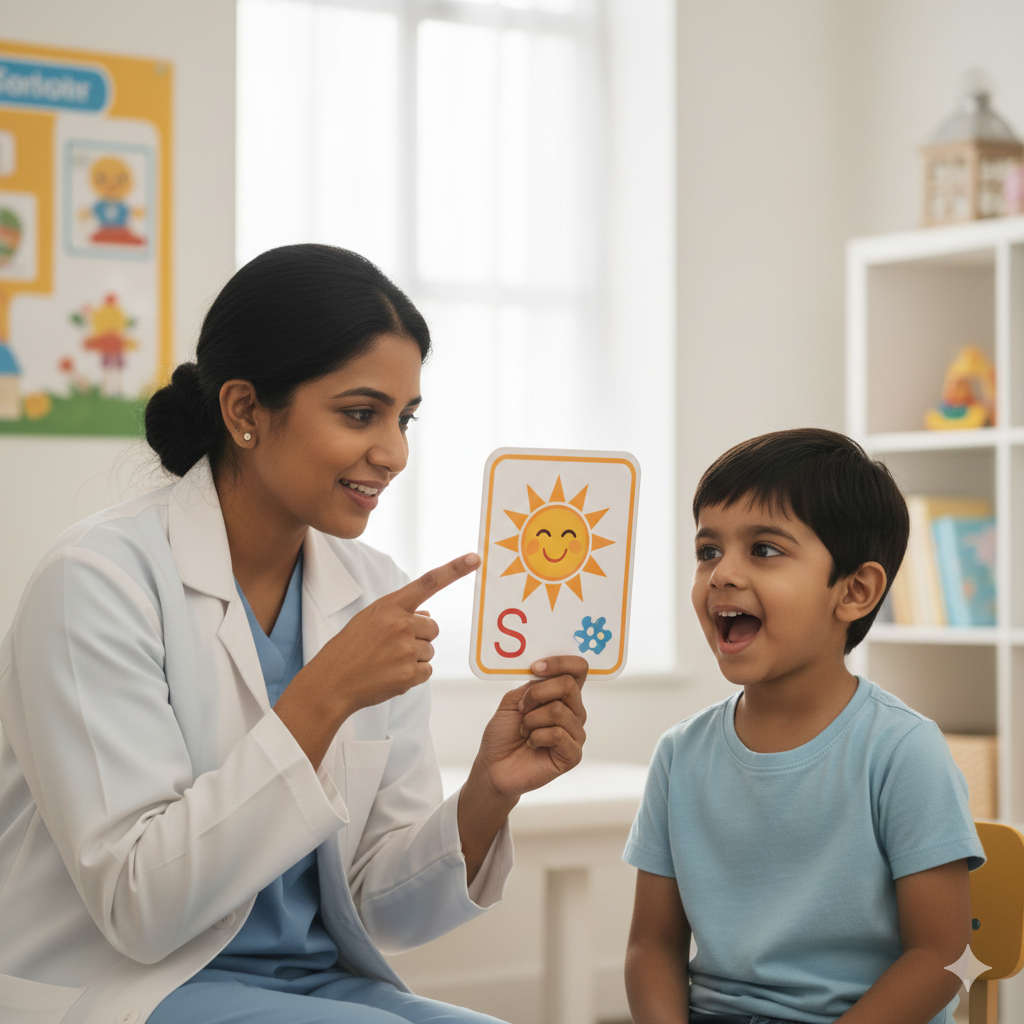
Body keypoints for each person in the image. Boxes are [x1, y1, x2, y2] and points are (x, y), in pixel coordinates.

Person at [0, 244, 589, 1024]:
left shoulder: (372, 588)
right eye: (359, 413)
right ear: (245, 411)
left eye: (404, 418)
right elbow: (140, 906)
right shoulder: (98, 581)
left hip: (318, 985)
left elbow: (381, 908)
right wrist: (324, 694)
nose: (394, 452)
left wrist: (489, 792)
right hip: (136, 987)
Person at [622, 428, 985, 1024]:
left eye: (763, 549)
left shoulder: (903, 750)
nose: (721, 575)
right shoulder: (679, 754)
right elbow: (652, 944)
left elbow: (940, 956)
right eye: (708, 550)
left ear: (856, 590)